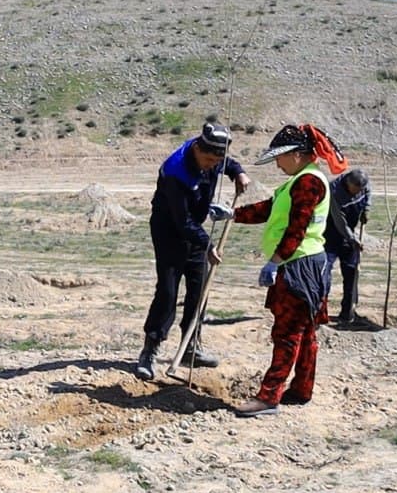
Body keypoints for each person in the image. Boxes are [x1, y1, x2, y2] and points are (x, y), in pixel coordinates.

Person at [230, 124, 347, 417]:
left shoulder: (309, 182)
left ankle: (269, 396)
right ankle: (302, 389)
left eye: (280, 158)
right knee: (305, 331)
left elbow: (298, 226)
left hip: (298, 265)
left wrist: (276, 260)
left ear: (297, 154)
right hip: (303, 262)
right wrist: (233, 214)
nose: (277, 164)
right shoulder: (299, 180)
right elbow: (271, 209)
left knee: (288, 332)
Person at [136, 123, 250, 380]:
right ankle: (150, 349)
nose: (212, 165)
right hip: (169, 232)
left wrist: (238, 173)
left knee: (199, 289)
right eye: (208, 159)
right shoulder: (176, 171)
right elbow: (182, 221)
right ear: (197, 149)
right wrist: (208, 245)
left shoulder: (211, 156)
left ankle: (190, 346)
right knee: (167, 291)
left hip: (194, 230)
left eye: (215, 160)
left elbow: (227, 163)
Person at [322, 168, 371, 326]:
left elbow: (368, 195)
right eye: (356, 190)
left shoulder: (363, 185)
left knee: (351, 274)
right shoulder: (334, 191)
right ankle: (320, 313)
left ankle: (348, 313)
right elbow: (339, 220)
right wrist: (352, 238)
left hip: (350, 238)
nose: (358, 193)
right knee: (324, 275)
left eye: (361, 190)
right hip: (330, 236)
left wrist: (366, 210)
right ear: (348, 183)